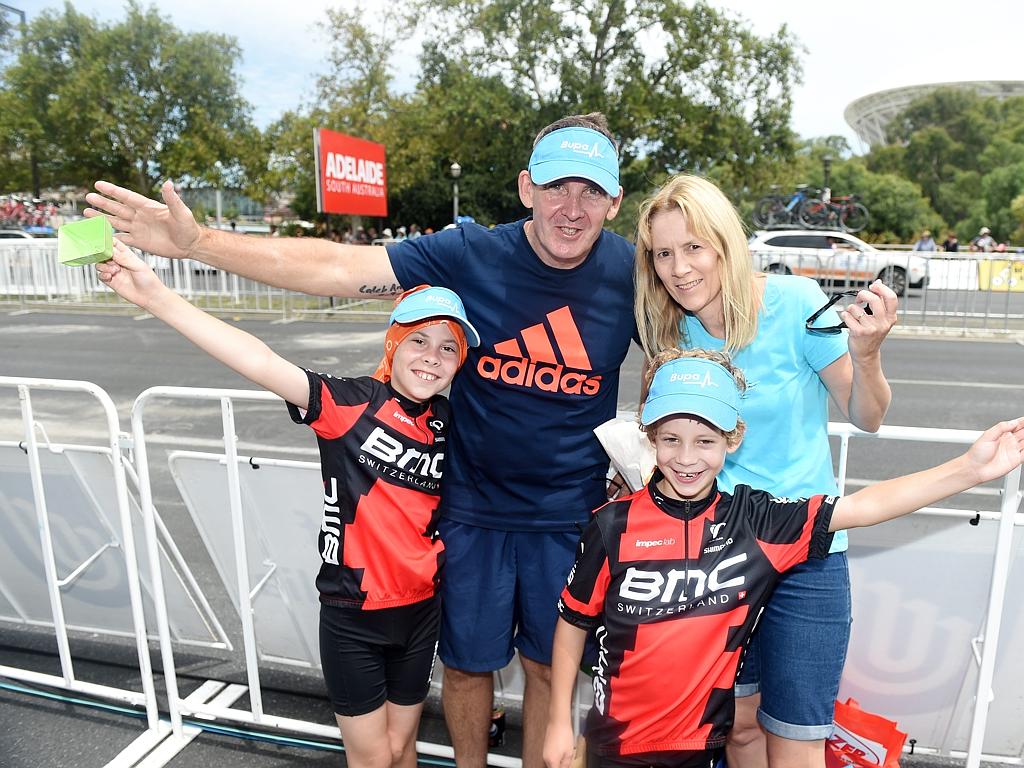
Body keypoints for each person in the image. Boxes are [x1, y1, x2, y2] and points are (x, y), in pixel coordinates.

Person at [84, 112, 634, 768]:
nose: (570, 209)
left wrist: (644, 463)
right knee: (463, 671)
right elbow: (336, 268)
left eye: (590, 192)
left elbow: (698, 340)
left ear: (614, 201)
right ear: (524, 188)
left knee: (550, 672)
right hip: (471, 512)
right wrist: (198, 242)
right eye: (555, 189)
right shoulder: (473, 252)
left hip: (567, 518)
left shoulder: (633, 274)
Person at [95, 238, 479, 768]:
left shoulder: (450, 422)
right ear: (394, 344)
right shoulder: (350, 404)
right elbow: (260, 359)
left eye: (448, 348)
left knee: (402, 747)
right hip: (354, 617)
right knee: (372, 758)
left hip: (421, 612)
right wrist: (158, 296)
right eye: (420, 340)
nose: (432, 357)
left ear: (461, 362)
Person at [543, 349, 1024, 768]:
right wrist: (557, 722)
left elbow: (862, 506)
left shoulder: (756, 522)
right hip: (615, 746)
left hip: (701, 746)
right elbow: (572, 623)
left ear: (734, 439)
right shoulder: (613, 524)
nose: (686, 457)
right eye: (671, 439)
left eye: (705, 441)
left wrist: (971, 468)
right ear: (650, 436)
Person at [632, 175, 897, 768]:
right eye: (664, 253)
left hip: (808, 555)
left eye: (693, 247)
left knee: (797, 738)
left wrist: (868, 354)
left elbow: (869, 415)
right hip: (717, 557)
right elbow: (670, 444)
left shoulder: (797, 303)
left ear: (725, 242)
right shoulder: (668, 330)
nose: (679, 268)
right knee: (739, 728)